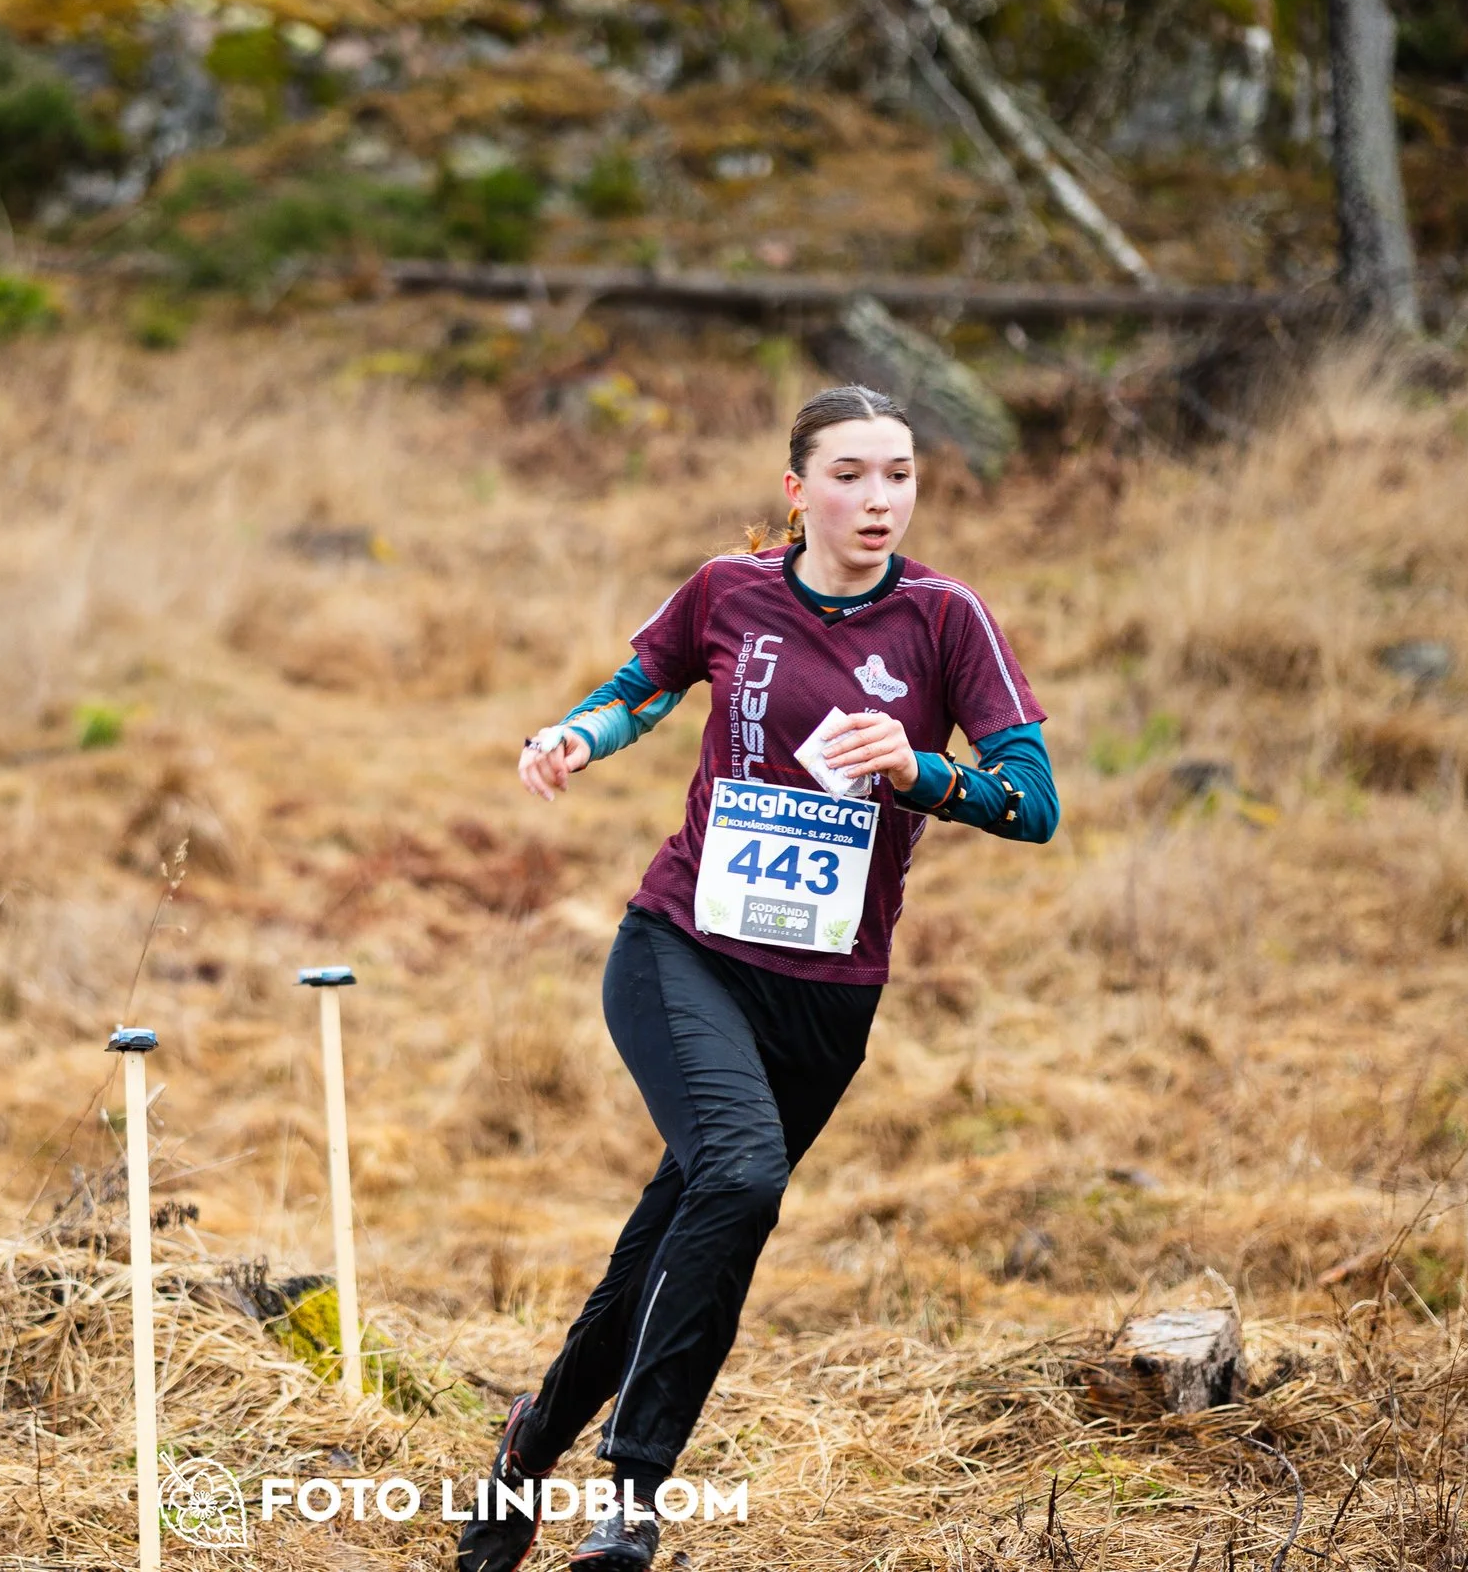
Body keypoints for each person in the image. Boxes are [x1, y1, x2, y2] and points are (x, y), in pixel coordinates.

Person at [454, 385, 1059, 1572]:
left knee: (672, 1237)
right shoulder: (728, 590)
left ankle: (527, 1447)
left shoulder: (946, 618)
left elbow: (1033, 801)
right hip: (683, 945)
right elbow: (636, 688)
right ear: (797, 489)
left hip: (828, 993)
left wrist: (922, 770)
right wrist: (571, 736)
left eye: (898, 474)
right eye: (849, 474)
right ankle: (631, 1494)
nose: (877, 499)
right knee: (740, 1172)